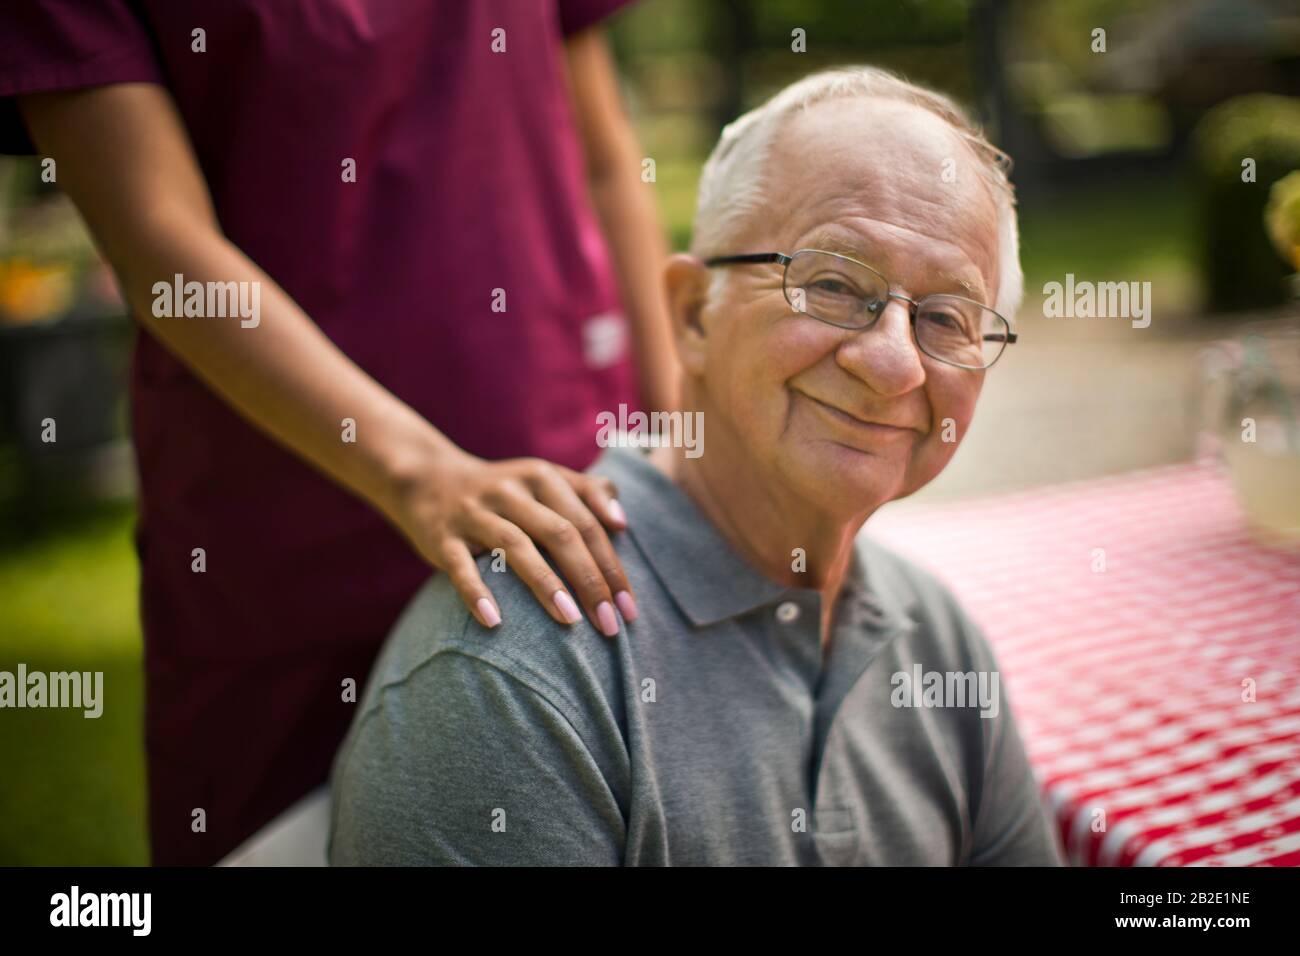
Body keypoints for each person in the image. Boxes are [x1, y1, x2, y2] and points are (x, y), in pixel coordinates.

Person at [329, 66, 1064, 865]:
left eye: (946, 319)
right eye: (831, 283)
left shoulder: (939, 641)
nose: (894, 364)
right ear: (691, 315)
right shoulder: (515, 674)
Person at [0, 0, 675, 865]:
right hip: (282, 535)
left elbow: (609, 160)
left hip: (569, 476)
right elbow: (157, 239)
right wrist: (422, 472)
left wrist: (674, 439)